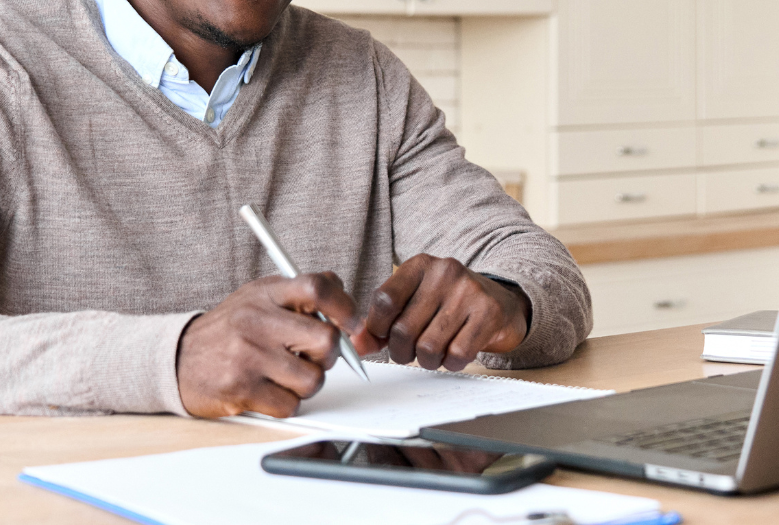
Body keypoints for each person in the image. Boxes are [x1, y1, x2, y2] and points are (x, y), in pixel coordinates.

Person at [0, 0, 591, 419]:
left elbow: (541, 268)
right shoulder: (13, 66)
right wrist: (174, 357)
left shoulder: (366, 76)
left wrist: (505, 299)